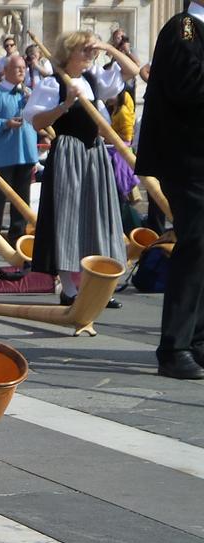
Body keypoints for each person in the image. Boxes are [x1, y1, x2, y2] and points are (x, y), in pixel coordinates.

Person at [24, 30, 136, 306]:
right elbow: (36, 122)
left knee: (96, 216)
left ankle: (92, 285)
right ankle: (70, 290)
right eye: (84, 50)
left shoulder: (94, 79)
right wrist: (66, 105)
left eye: (91, 50)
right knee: (69, 217)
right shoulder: (53, 84)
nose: (90, 54)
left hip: (94, 153)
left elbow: (132, 70)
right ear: (69, 52)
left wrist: (107, 46)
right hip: (69, 152)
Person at [137, 5, 204, 379]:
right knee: (194, 247)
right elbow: (188, 87)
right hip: (188, 162)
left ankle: (198, 339)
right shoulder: (185, 28)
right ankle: (174, 346)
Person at [0, 54, 37, 242]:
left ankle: (18, 237)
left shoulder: (28, 93)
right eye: (17, 68)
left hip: (26, 153)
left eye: (24, 68)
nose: (22, 71)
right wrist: (5, 123)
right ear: (5, 71)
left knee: (22, 199)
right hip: (3, 154)